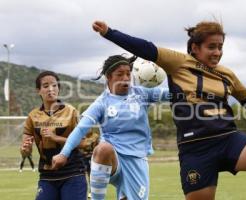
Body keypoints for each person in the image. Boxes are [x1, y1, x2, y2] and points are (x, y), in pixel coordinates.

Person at [90, 20, 246, 200]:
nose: (217, 52)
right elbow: (144, 47)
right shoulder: (178, 63)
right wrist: (109, 33)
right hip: (195, 149)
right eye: (211, 47)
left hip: (229, 139)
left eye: (220, 47)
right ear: (195, 48)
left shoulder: (227, 74)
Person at [51, 55, 170, 200]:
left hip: (137, 159)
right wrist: (64, 153)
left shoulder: (141, 94)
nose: (126, 78)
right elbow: (81, 128)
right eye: (120, 74)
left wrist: (194, 90)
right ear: (109, 77)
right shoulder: (101, 103)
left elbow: (171, 95)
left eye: (128, 73)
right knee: (103, 148)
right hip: (113, 159)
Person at [20, 71, 88, 200]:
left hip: (73, 173)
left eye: (54, 85)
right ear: (38, 91)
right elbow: (25, 152)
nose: (51, 89)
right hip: (47, 176)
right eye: (45, 86)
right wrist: (26, 150)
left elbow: (84, 143)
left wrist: (56, 137)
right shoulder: (32, 116)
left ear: (59, 88)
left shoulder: (71, 112)